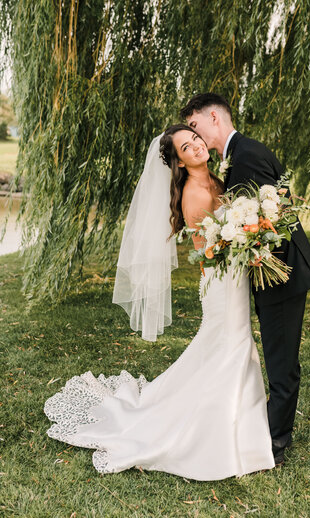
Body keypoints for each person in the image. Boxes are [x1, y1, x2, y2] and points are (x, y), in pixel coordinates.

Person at [43, 124, 276, 480]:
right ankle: (216, 433)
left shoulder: (217, 177)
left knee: (227, 346)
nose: (197, 146)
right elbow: (207, 250)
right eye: (187, 147)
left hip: (234, 277)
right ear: (179, 162)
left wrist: (251, 231)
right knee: (229, 346)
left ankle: (240, 423)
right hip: (222, 281)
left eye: (196, 139)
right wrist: (246, 240)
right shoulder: (195, 193)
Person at [180, 93, 310, 465]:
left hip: (280, 275)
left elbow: (270, 218)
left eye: (195, 127)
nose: (195, 138)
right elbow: (277, 203)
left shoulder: (244, 158)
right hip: (268, 272)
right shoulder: (242, 153)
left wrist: (250, 245)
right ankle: (265, 429)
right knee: (277, 356)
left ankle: (275, 442)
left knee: (281, 362)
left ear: (213, 117)